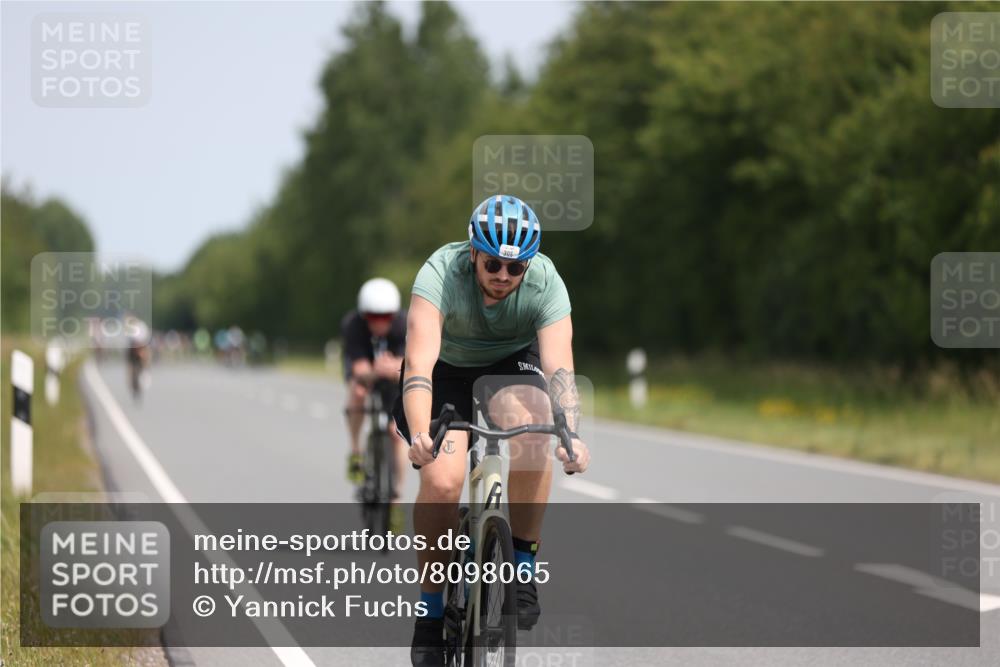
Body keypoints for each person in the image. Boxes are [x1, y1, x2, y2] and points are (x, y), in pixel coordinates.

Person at [393, 194, 591, 665]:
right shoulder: (440, 273)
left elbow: (560, 368)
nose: (503, 276)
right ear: (473, 253)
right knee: (442, 482)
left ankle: (522, 565)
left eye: (515, 268)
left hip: (508, 362)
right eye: (493, 264)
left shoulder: (545, 282)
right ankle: (431, 609)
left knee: (534, 432)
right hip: (444, 366)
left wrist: (572, 434)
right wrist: (422, 435)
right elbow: (419, 363)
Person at [341, 278, 409, 500]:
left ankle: (396, 495)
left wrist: (394, 369)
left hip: (393, 377)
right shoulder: (353, 325)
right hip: (367, 372)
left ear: (394, 315)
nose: (380, 323)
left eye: (386, 317)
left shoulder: (404, 324)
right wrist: (379, 370)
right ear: (363, 315)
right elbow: (360, 371)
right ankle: (356, 451)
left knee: (396, 432)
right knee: (358, 393)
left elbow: (411, 365)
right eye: (373, 317)